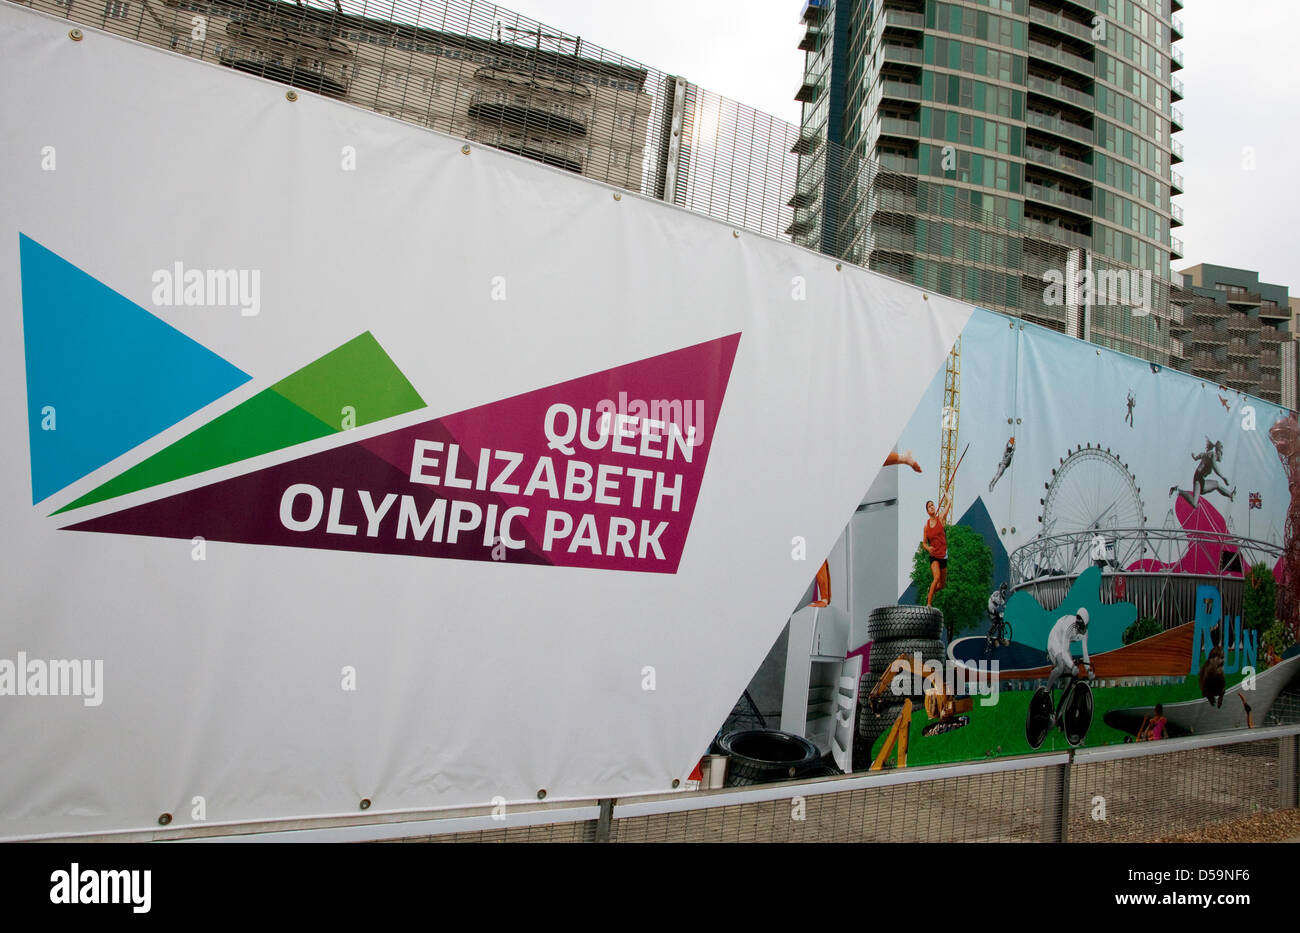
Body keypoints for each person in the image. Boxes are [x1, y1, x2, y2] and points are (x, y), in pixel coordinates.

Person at [1046, 607, 1092, 693]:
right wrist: (1073, 666)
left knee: (1070, 676)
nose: (1082, 632)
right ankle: (1046, 690)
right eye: (1080, 629)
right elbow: (1064, 651)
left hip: (1064, 643)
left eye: (1084, 628)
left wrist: (1089, 670)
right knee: (1061, 666)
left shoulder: (1085, 631)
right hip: (1055, 639)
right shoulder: (1070, 626)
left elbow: (1085, 652)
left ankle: (1064, 702)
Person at [922, 494, 952, 607]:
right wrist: (928, 548)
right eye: (929, 506)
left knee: (942, 585)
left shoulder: (940, 518)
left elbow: (948, 506)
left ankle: (930, 591)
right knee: (937, 577)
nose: (932, 507)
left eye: (933, 505)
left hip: (943, 556)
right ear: (927, 511)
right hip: (934, 556)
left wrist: (948, 498)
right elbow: (924, 543)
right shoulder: (926, 526)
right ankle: (929, 604)